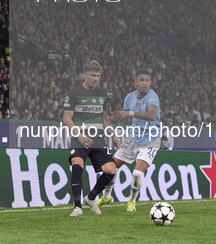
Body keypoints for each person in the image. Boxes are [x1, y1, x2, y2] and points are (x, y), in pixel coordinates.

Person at [97, 69, 161, 212]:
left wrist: (128, 113)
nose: (144, 83)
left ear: (150, 83)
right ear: (135, 82)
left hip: (150, 139)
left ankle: (131, 201)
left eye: (147, 80)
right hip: (132, 139)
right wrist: (114, 119)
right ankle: (106, 197)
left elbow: (151, 116)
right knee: (111, 168)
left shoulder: (152, 96)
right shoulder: (129, 97)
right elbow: (126, 116)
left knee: (137, 173)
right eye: (141, 80)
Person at [63, 60, 116, 217]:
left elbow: (104, 119)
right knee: (77, 165)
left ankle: (91, 198)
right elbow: (67, 118)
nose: (96, 79)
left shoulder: (102, 94)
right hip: (80, 138)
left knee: (110, 170)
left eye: (98, 76)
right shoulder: (73, 93)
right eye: (93, 75)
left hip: (99, 139)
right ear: (84, 74)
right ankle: (77, 207)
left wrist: (114, 136)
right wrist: (79, 135)